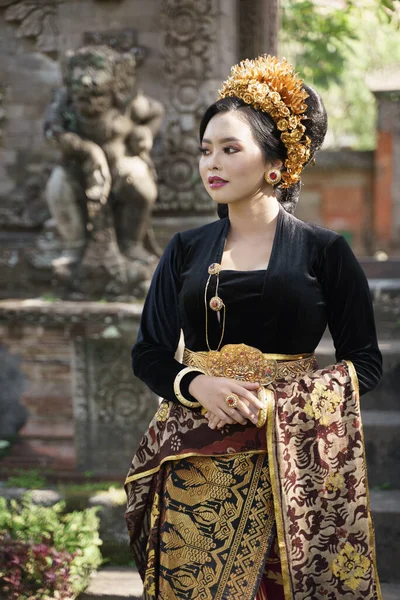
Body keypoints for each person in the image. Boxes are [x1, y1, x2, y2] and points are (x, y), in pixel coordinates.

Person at [124, 55, 383, 600]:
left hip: (288, 466)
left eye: (229, 148)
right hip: (193, 458)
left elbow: (365, 362)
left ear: (275, 163)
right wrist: (199, 384)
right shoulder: (185, 249)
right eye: (205, 149)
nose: (210, 163)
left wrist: (281, 404)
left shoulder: (325, 251)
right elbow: (149, 352)